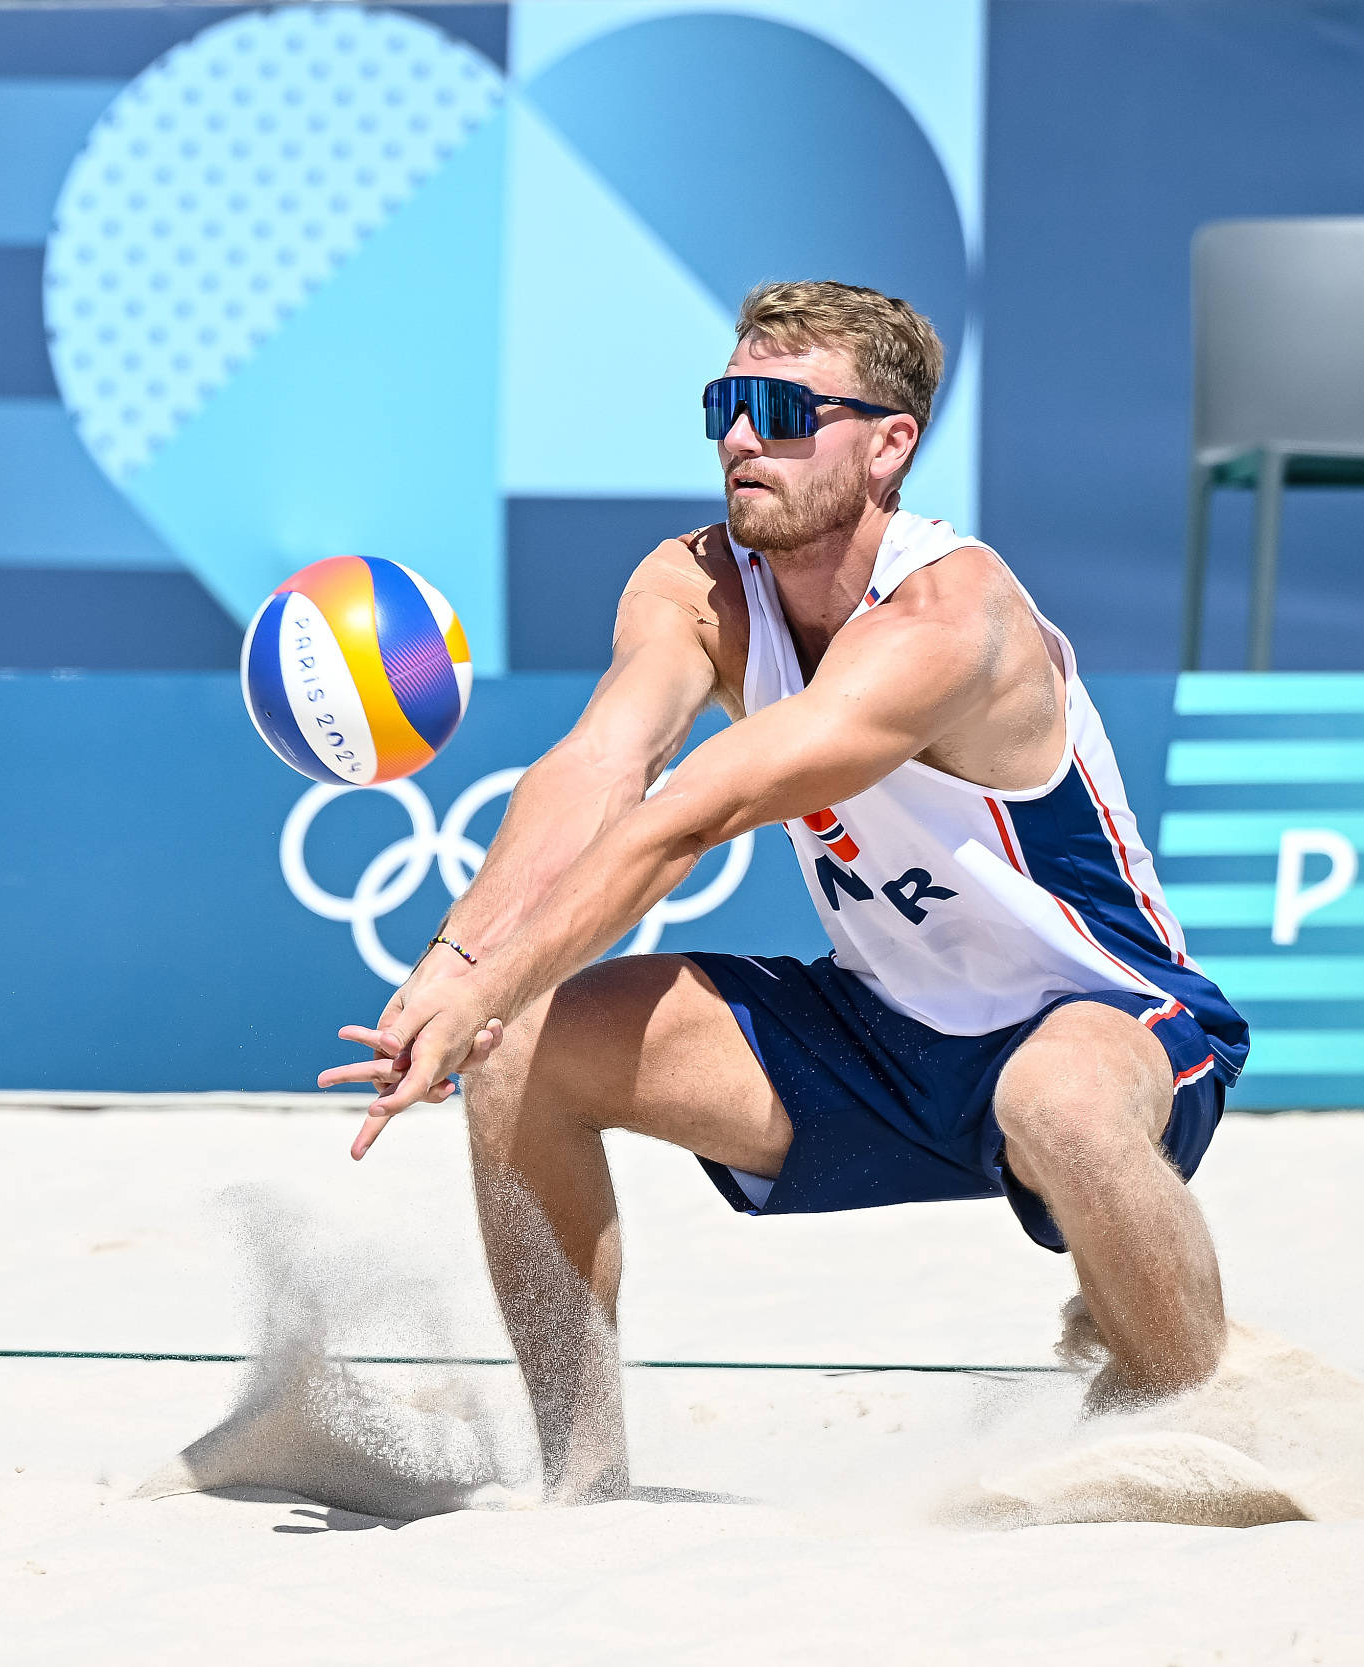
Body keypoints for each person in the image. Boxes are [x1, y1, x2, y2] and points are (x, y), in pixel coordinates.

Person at [322, 280, 1250, 1502]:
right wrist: (459, 968)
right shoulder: (692, 583)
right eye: (725, 404)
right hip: (883, 1029)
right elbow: (602, 765)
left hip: (1099, 1015)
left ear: (888, 444)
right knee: (522, 1051)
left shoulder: (948, 616)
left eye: (780, 409)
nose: (740, 437)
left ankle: (1199, 1424)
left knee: (1060, 1103)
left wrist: (490, 967)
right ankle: (581, 1478)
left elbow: (689, 818)